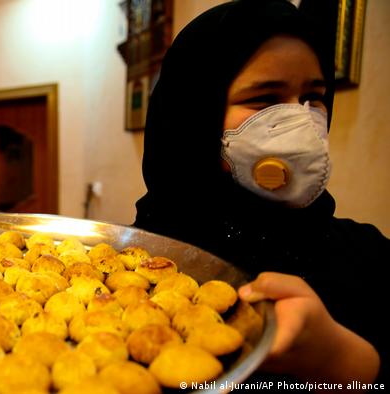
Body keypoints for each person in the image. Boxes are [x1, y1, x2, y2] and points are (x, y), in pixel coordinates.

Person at [134, 0, 387, 386]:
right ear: (193, 115)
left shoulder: (369, 256)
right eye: (264, 99)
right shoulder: (144, 261)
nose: (300, 120)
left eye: (313, 97)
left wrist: (346, 361)